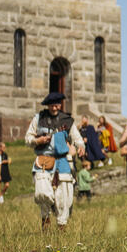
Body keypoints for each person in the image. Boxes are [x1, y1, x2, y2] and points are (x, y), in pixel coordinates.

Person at [25, 92, 85, 230]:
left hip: (62, 161)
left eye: (57, 105)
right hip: (44, 160)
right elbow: (28, 139)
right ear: (48, 105)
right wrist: (37, 140)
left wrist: (81, 146)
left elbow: (77, 138)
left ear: (60, 105)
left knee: (64, 197)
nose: (54, 108)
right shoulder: (39, 119)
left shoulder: (67, 120)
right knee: (43, 194)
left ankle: (61, 225)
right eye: (52, 105)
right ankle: (45, 220)